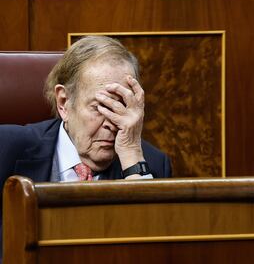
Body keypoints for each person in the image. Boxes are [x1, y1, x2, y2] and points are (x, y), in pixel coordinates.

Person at [0, 36, 172, 258]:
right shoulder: (6, 149)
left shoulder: (150, 165)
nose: (113, 123)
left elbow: (154, 255)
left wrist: (131, 155)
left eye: (122, 107)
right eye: (101, 107)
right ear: (64, 102)